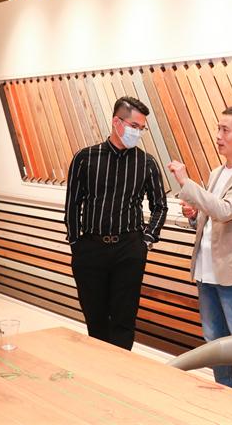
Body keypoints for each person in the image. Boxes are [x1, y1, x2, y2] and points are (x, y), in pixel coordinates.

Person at [167, 105, 232, 400]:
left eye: (225, 130)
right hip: (205, 271)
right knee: (216, 347)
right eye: (218, 129)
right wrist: (193, 215)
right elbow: (209, 216)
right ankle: (225, 404)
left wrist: (186, 183)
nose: (218, 136)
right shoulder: (216, 173)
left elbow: (224, 211)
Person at [65, 96, 168, 350]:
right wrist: (76, 243)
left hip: (129, 249)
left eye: (141, 128)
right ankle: (99, 367)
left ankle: (120, 369)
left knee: (124, 320)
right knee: (95, 319)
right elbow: (72, 205)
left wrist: (146, 241)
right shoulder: (85, 158)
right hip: (90, 249)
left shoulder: (147, 163)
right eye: (134, 126)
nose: (138, 133)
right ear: (116, 122)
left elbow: (160, 206)